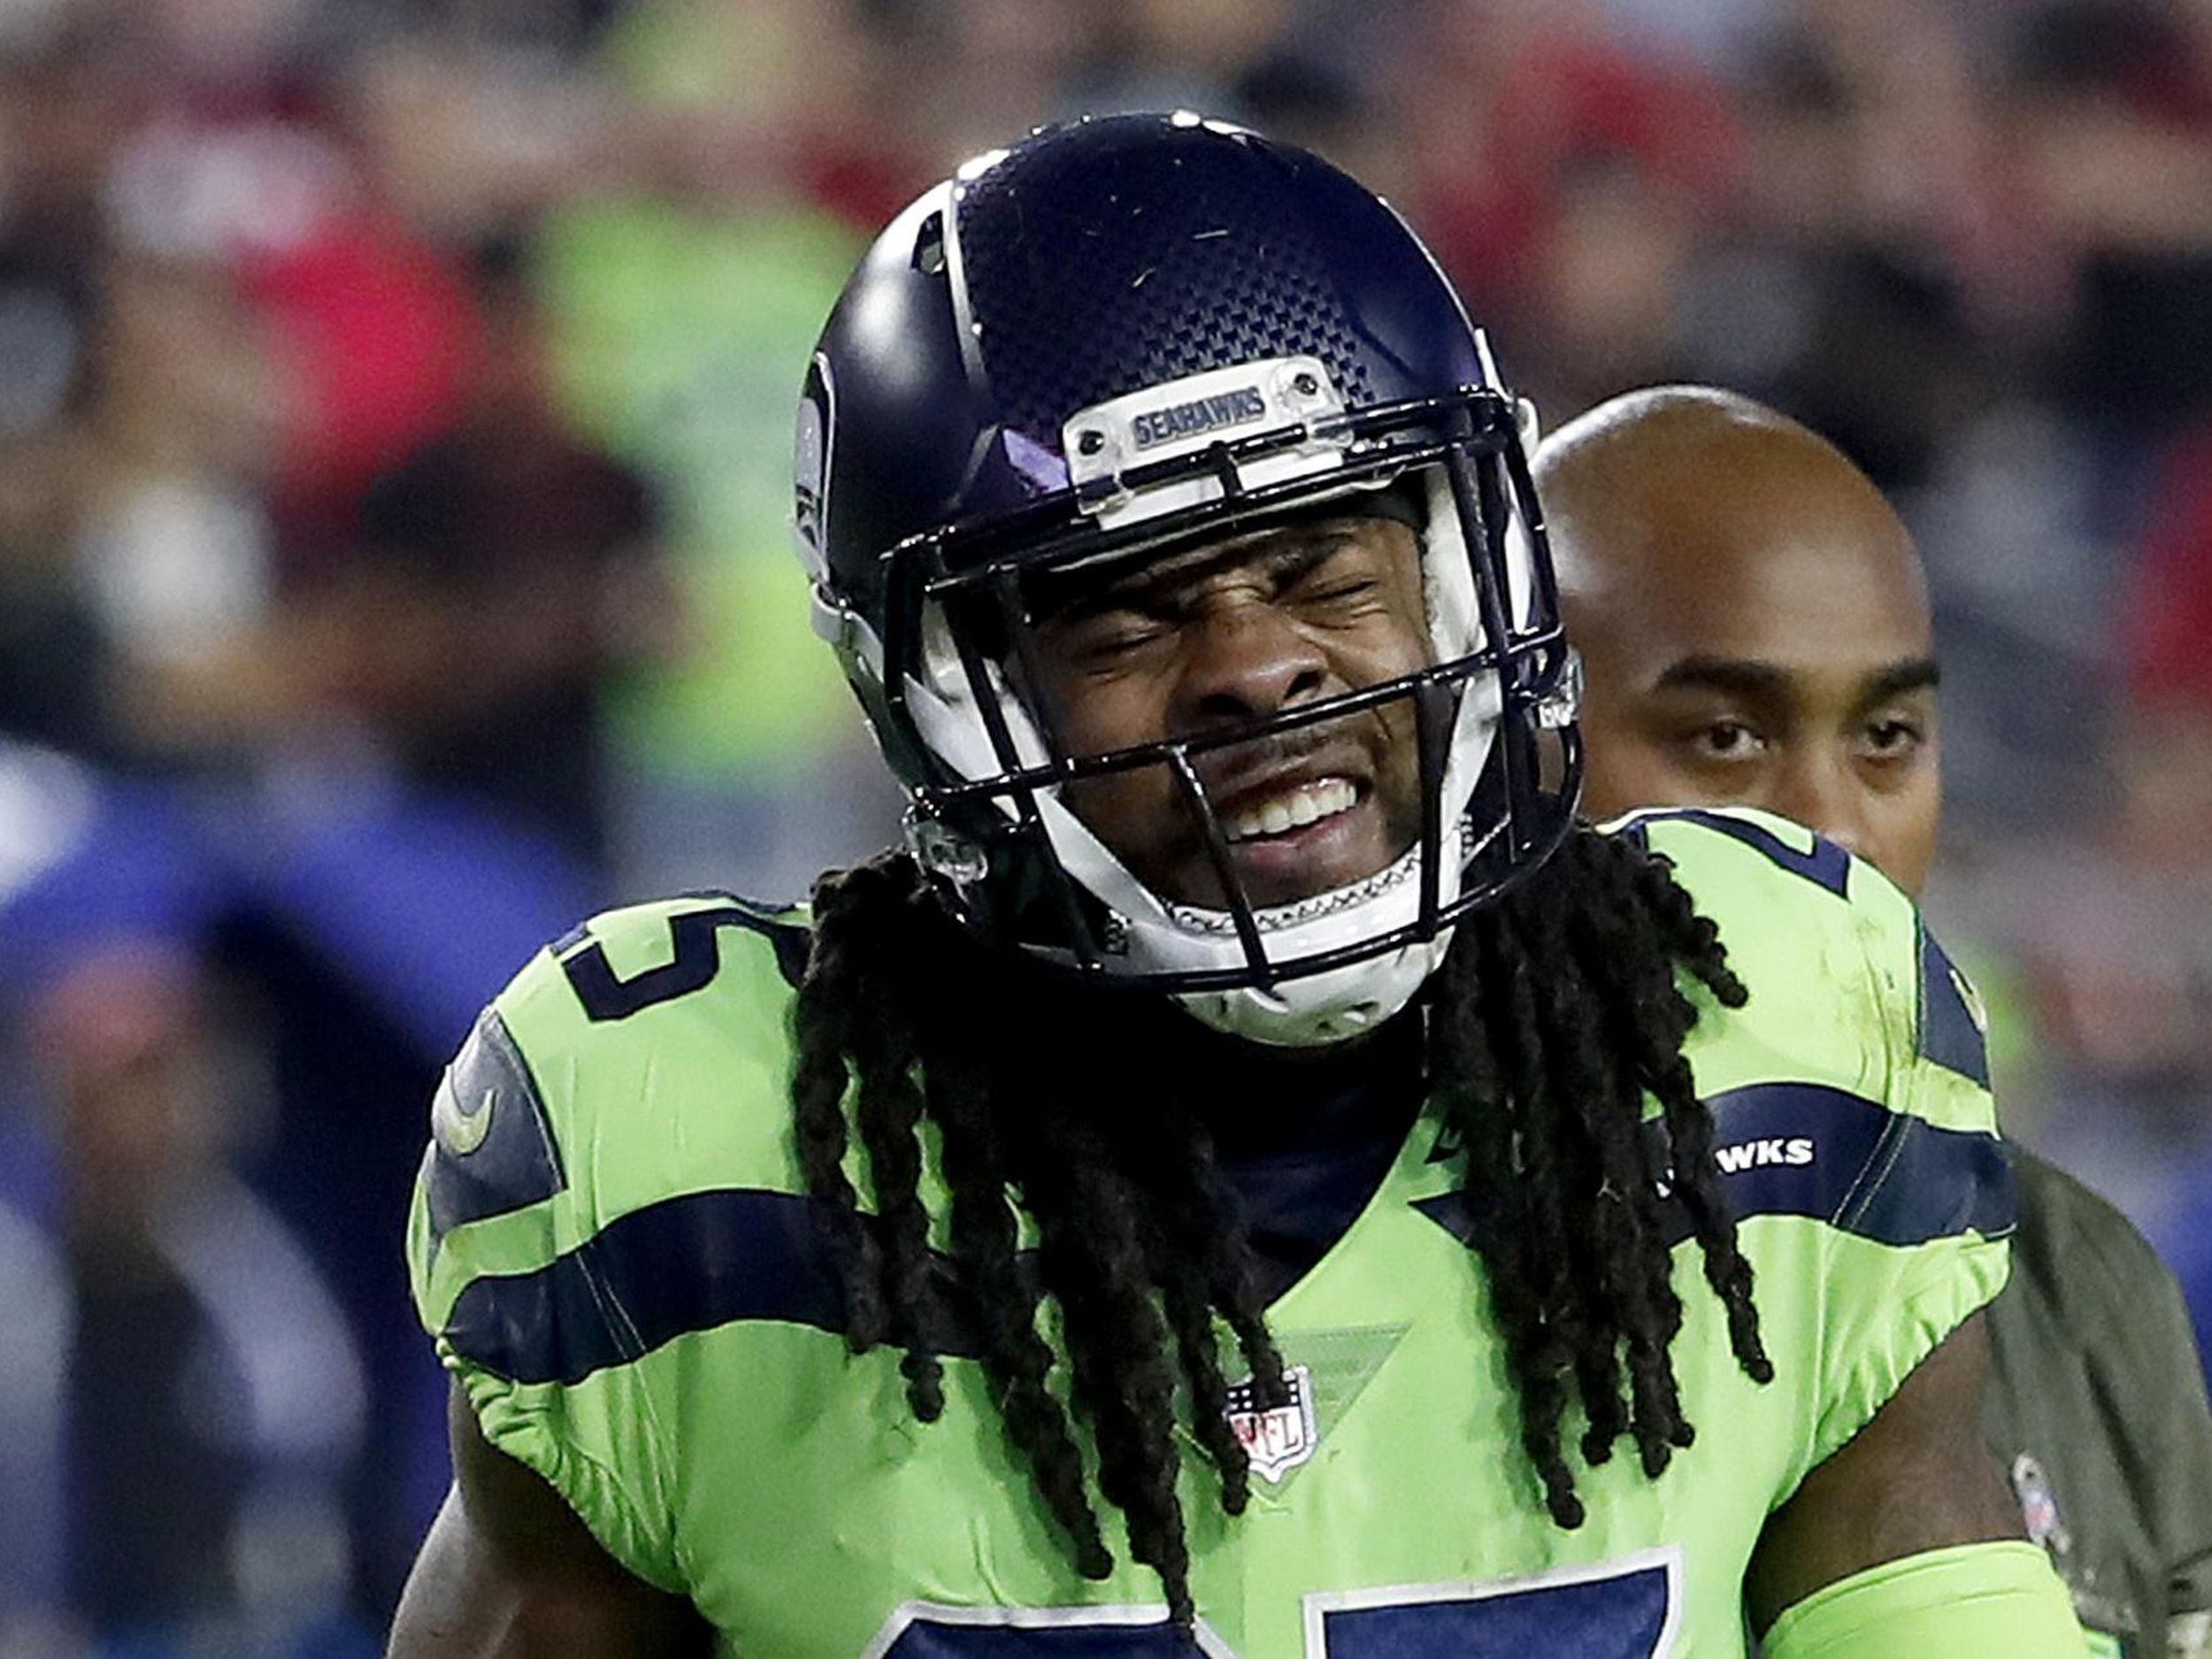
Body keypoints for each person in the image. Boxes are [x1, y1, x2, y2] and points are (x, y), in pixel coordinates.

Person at [388, 116, 2079, 1656]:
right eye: (1125, 614)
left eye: (1320, 567)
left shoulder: (1772, 1023)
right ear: (951, 702)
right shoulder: (681, 1152)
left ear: (1455, 584)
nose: (1256, 668)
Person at [1538, 381, 2212, 1659]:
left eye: (1888, 736)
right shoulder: (1337, 1243)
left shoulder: (2079, 1280)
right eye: (1725, 737)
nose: (1834, 828)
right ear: (1510, 754)